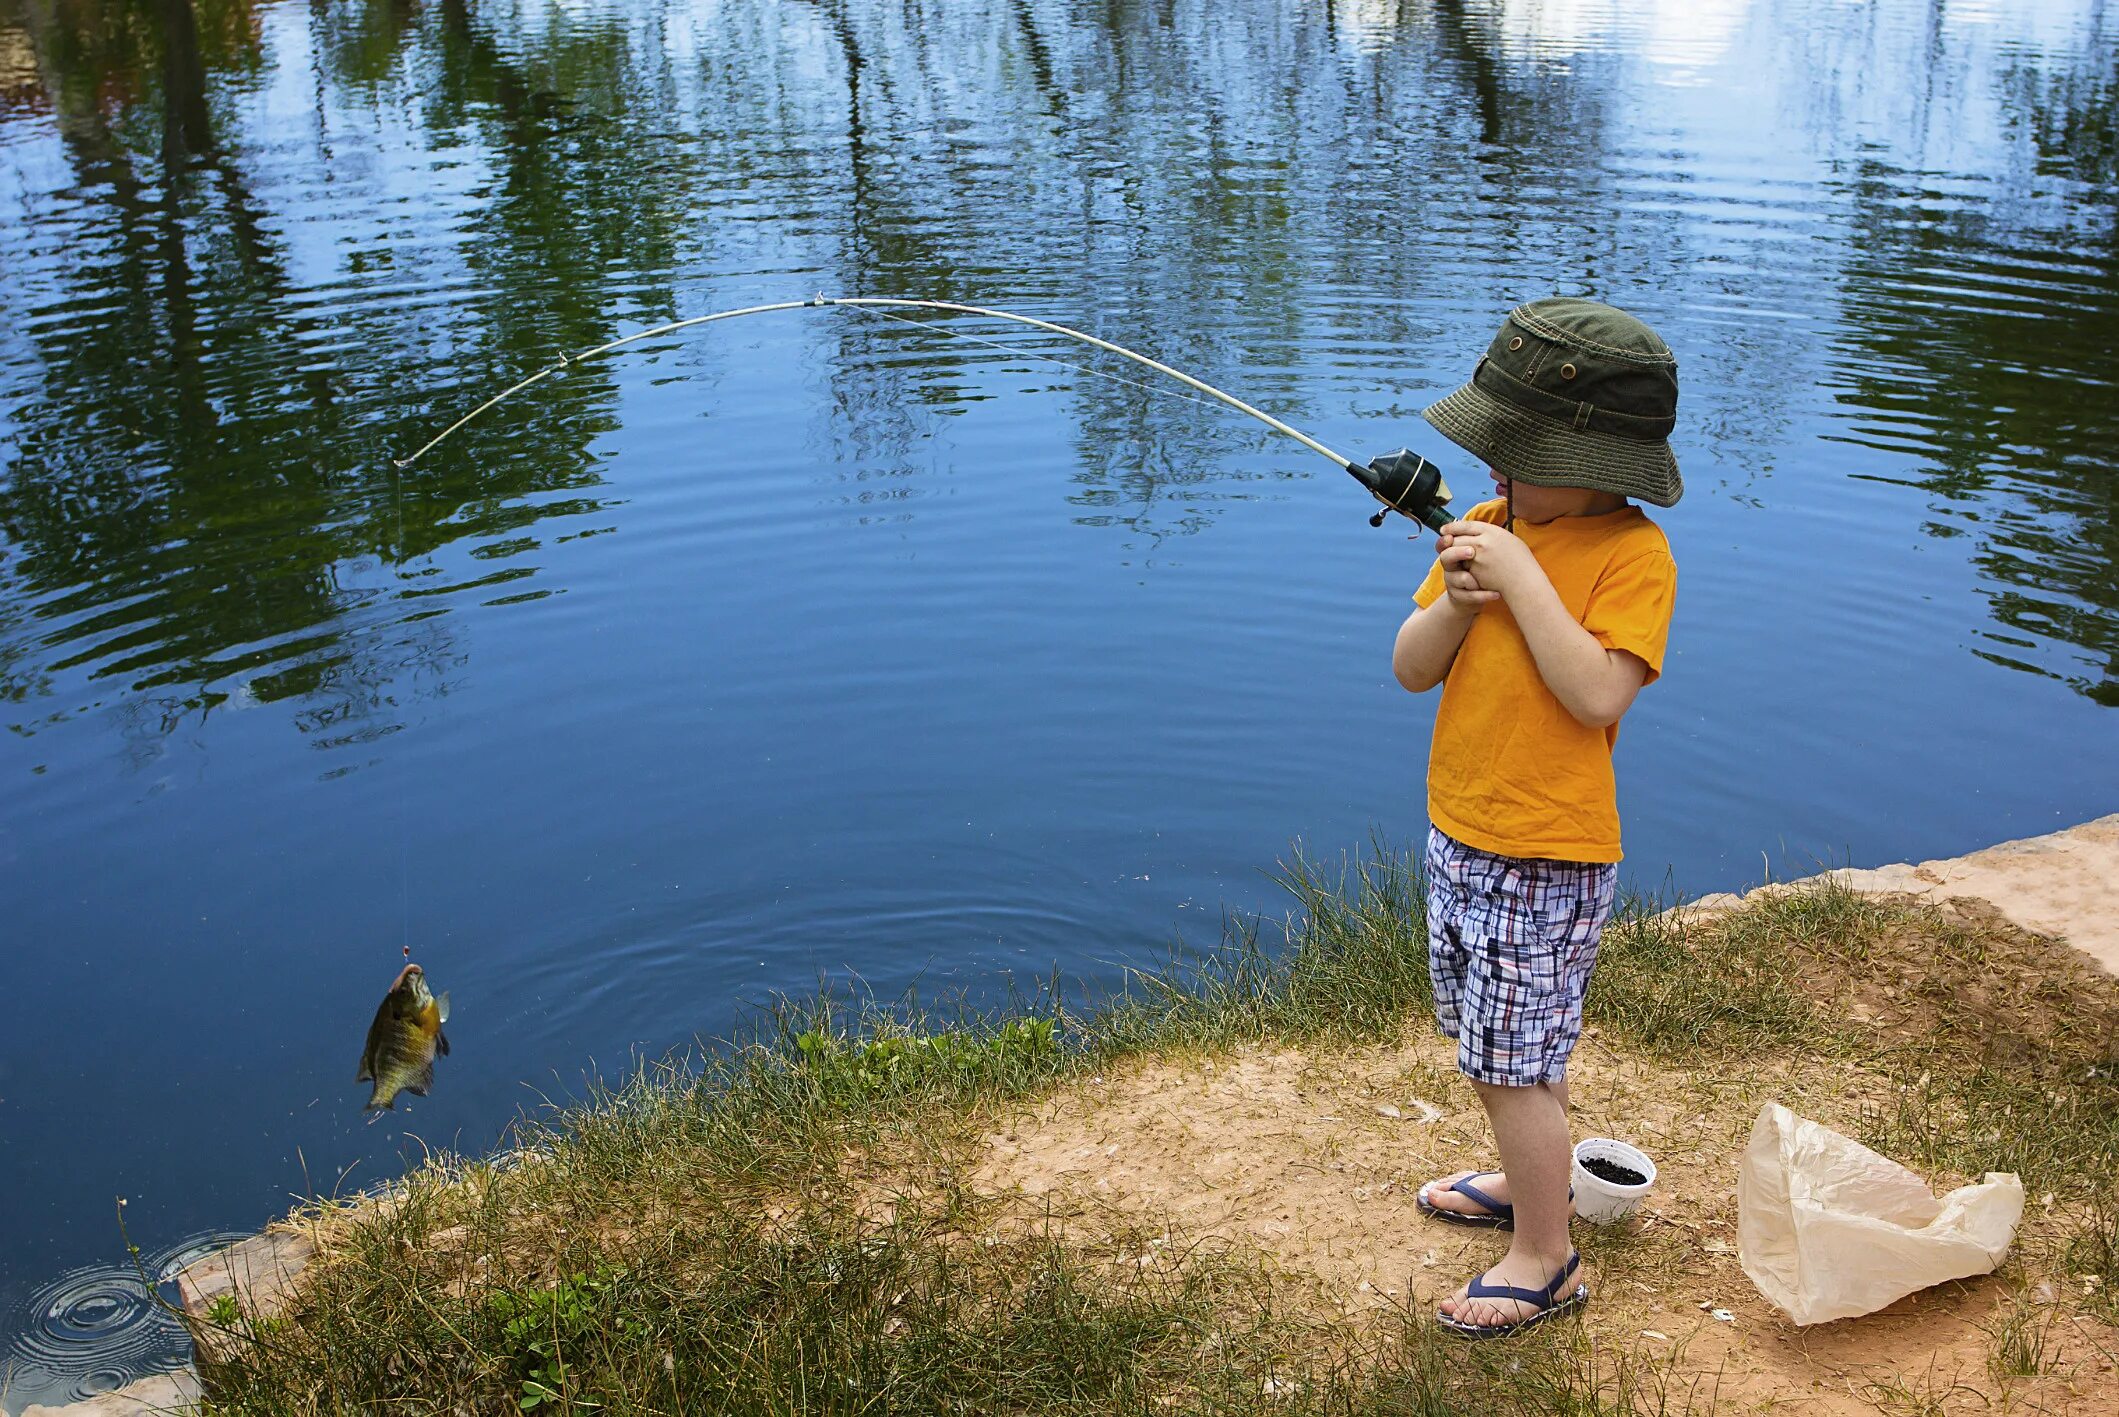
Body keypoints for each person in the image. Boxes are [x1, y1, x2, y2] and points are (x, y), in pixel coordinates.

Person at [1389, 297, 1681, 1339]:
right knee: (1495, 1044)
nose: (1498, 472)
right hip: (1459, 831)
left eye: (1522, 452)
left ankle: (1546, 1256)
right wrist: (1462, 598)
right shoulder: (1496, 528)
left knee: (1512, 1060)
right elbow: (1409, 669)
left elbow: (1596, 694)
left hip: (1546, 852)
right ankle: (1533, 1183)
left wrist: (1517, 582)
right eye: (1494, 451)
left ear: (1600, 461)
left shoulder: (1630, 557)